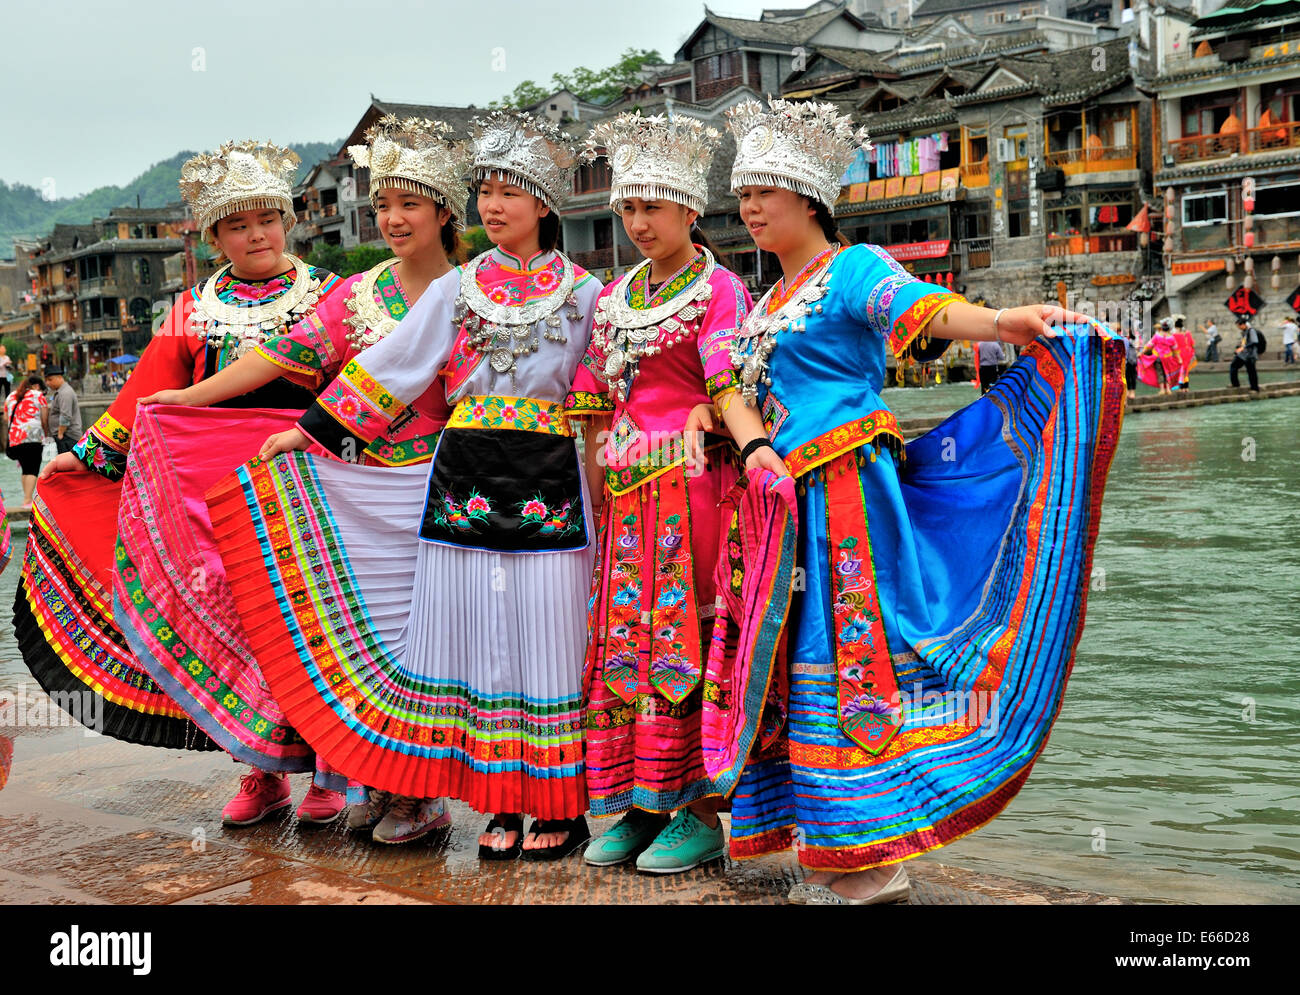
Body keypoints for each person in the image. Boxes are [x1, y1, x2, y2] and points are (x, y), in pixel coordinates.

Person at [705, 98, 1127, 905]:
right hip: (781, 509)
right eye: (744, 196)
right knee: (803, 665)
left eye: (766, 192)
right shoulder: (763, 305)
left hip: (844, 497)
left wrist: (1005, 319)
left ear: (809, 197)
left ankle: (873, 854)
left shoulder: (853, 268)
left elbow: (923, 310)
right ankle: (842, 853)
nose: (751, 209)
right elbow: (741, 392)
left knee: (856, 657)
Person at [207, 111, 603, 860]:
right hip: (463, 473)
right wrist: (311, 430)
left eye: (509, 193)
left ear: (544, 204)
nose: (492, 206)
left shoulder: (586, 294)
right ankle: (498, 795)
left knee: (549, 633)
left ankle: (558, 801)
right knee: (478, 640)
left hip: (548, 471)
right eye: (484, 191)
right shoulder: (458, 288)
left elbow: (608, 392)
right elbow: (395, 366)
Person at [136, 117, 468, 843]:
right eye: (383, 205)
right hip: (350, 487)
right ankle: (377, 781)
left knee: (424, 643)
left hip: (434, 487)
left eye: (409, 204)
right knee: (362, 642)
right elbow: (286, 354)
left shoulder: (473, 296)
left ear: (445, 210)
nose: (391, 219)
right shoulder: (356, 291)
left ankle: (425, 792)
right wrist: (186, 399)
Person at [15, 142, 344, 821]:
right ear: (215, 236)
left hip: (311, 477)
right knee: (242, 623)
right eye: (238, 225)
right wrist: (87, 455)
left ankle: (331, 772)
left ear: (286, 221)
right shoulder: (193, 308)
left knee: (316, 626)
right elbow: (149, 391)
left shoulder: (332, 295)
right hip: (218, 492)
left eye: (266, 220)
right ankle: (260, 770)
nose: (256, 235)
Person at [563, 111, 776, 872]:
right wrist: (587, 504)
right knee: (624, 643)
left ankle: (697, 810)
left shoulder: (719, 289)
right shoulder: (614, 297)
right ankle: (635, 804)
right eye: (628, 207)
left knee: (687, 642)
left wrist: (704, 411)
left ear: (691, 211)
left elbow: (732, 382)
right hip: (626, 502)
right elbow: (592, 403)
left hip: (696, 491)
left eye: (653, 207)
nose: (639, 222)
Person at [3, 374, 49, 508]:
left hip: (15, 439)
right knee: (33, 469)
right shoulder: (38, 395)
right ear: (35, 386)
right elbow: (44, 418)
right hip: (33, 437)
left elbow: (6, 418)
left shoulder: (10, 396)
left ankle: (26, 499)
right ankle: (28, 501)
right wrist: (46, 435)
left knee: (25, 469)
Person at [44, 366, 82, 455]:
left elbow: (65, 415)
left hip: (68, 437)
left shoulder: (65, 393)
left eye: (50, 380)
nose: (47, 383)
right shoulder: (61, 391)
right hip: (65, 437)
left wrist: (60, 434)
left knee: (67, 467)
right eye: (46, 380)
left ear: (60, 378)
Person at [1230, 313, 1261, 391]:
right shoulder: (1244, 332)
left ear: (1243, 324)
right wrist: (1239, 347)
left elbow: (1254, 341)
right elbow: (1244, 342)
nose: (1238, 327)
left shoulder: (1251, 331)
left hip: (1250, 355)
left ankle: (1255, 388)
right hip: (1243, 355)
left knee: (1251, 371)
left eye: (1239, 326)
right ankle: (1235, 384)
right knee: (1233, 366)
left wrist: (1243, 347)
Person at [1124, 325, 1139, 400]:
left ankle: (1132, 392)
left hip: (1132, 359)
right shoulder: (1122, 337)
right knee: (1126, 376)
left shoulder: (1134, 337)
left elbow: (1137, 347)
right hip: (1125, 359)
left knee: (1132, 376)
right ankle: (1127, 392)